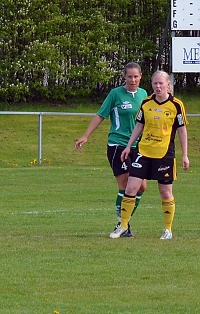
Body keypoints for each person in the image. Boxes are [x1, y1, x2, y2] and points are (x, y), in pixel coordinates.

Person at [112, 71, 189, 239]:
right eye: (155, 83)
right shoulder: (146, 103)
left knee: (166, 193)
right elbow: (139, 126)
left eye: (161, 83)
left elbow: (182, 131)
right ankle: (123, 226)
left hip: (164, 155)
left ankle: (167, 230)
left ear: (168, 85)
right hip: (143, 152)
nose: (158, 86)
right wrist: (128, 146)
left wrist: (185, 155)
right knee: (131, 187)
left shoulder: (176, 105)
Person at [75, 63, 149, 236]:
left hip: (138, 146)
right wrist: (86, 135)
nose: (133, 80)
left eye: (136, 76)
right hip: (118, 144)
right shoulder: (115, 94)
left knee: (141, 187)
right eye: (129, 76)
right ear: (124, 77)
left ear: (141, 76)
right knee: (126, 184)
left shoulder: (144, 94)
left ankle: (124, 223)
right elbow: (100, 115)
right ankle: (122, 224)